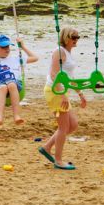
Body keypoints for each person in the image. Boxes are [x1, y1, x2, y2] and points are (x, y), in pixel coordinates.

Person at [38, 27, 85, 170]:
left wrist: (80, 94)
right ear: (66, 37)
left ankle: (46, 147)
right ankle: (58, 161)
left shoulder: (68, 53)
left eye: (78, 37)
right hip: (55, 91)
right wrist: (63, 94)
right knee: (63, 127)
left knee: (73, 125)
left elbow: (70, 78)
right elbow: (54, 75)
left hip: (62, 91)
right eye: (73, 37)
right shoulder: (59, 51)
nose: (76, 39)